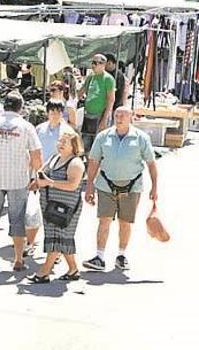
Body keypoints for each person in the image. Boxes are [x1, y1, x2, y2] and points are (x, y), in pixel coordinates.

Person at [0, 91, 42, 272]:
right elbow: (36, 156)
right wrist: (36, 176)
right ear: (21, 108)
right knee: (17, 219)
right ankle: (18, 259)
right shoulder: (26, 127)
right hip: (18, 180)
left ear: (4, 106)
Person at [82, 106, 158, 272]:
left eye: (123, 115)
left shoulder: (141, 138)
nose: (119, 118)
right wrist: (89, 187)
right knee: (104, 220)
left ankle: (121, 255)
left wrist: (154, 188)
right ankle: (99, 257)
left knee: (125, 222)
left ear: (131, 117)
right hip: (106, 185)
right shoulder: (103, 137)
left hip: (132, 187)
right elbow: (94, 161)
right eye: (117, 115)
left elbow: (151, 163)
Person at [28, 131, 86, 283]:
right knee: (62, 238)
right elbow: (43, 171)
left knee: (57, 238)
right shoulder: (55, 158)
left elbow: (73, 185)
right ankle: (73, 270)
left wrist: (49, 183)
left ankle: (44, 272)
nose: (60, 144)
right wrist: (38, 179)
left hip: (66, 208)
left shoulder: (76, 163)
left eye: (64, 142)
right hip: (50, 206)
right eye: (59, 141)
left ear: (73, 146)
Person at [79, 54, 116, 152]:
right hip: (88, 115)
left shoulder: (108, 79)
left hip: (100, 115)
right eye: (92, 62)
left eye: (96, 63)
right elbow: (82, 91)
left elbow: (111, 99)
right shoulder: (91, 77)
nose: (93, 65)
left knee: (98, 145)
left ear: (103, 64)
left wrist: (105, 119)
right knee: (85, 144)